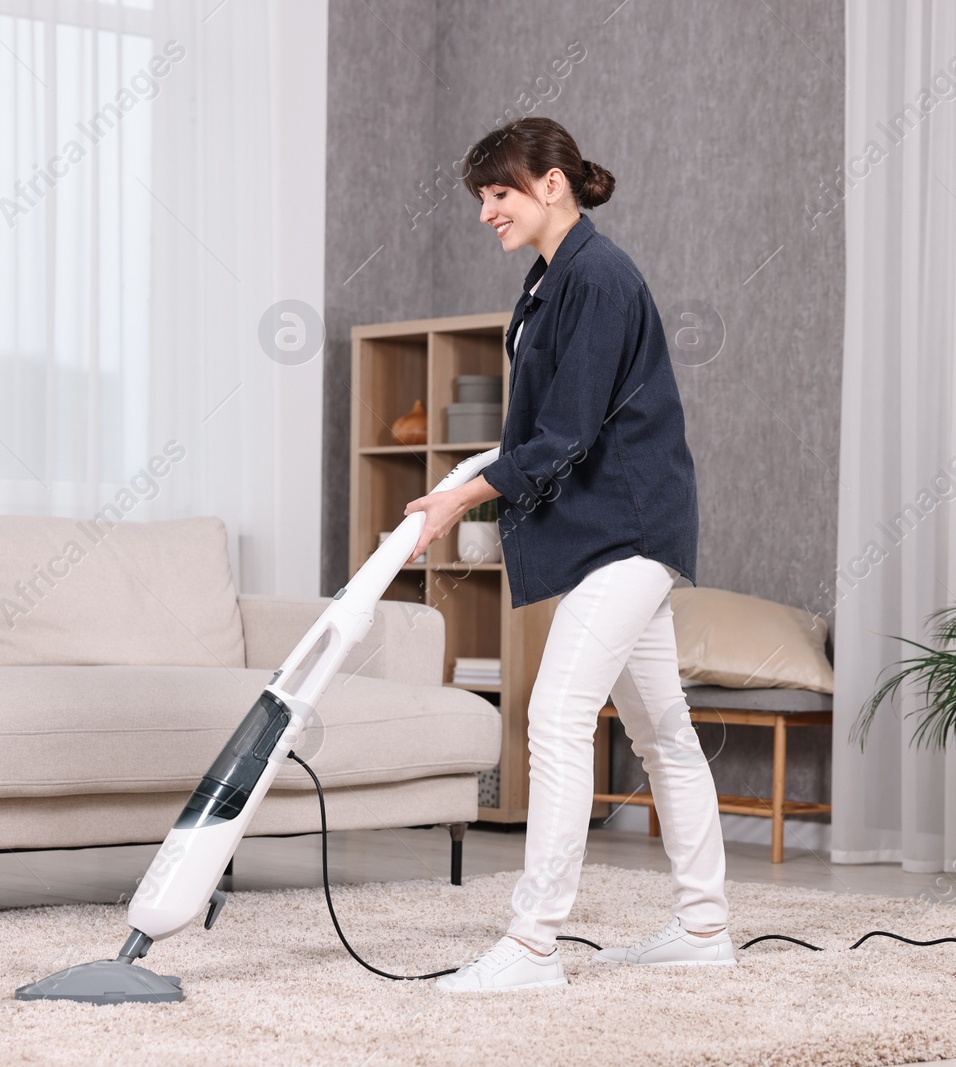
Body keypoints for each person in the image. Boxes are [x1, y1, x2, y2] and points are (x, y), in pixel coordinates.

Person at [402, 116, 732, 992]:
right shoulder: (551, 279)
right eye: (481, 198)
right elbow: (534, 431)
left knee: (554, 718)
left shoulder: (601, 279)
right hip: (604, 534)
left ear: (553, 184)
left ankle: (535, 944)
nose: (486, 213)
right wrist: (467, 479)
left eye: (498, 194)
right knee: (664, 731)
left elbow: (566, 434)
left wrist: (464, 494)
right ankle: (704, 925)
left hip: (627, 530)